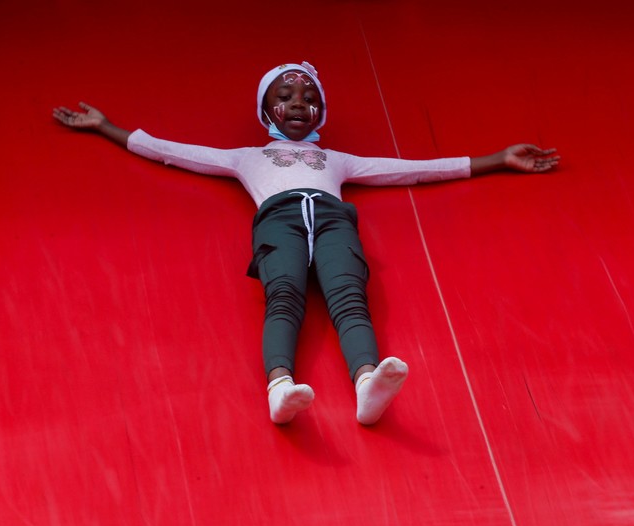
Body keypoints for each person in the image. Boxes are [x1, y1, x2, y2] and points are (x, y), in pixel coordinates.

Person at [53, 61, 559, 426]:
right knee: (285, 298)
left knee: (349, 300)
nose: (299, 103)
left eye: (309, 98)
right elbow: (175, 152)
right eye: (285, 96)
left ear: (320, 112)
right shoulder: (247, 158)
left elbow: (410, 170)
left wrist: (493, 159)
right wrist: (108, 128)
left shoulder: (337, 161)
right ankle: (279, 389)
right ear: (265, 110)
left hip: (337, 222)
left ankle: (366, 386)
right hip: (279, 222)